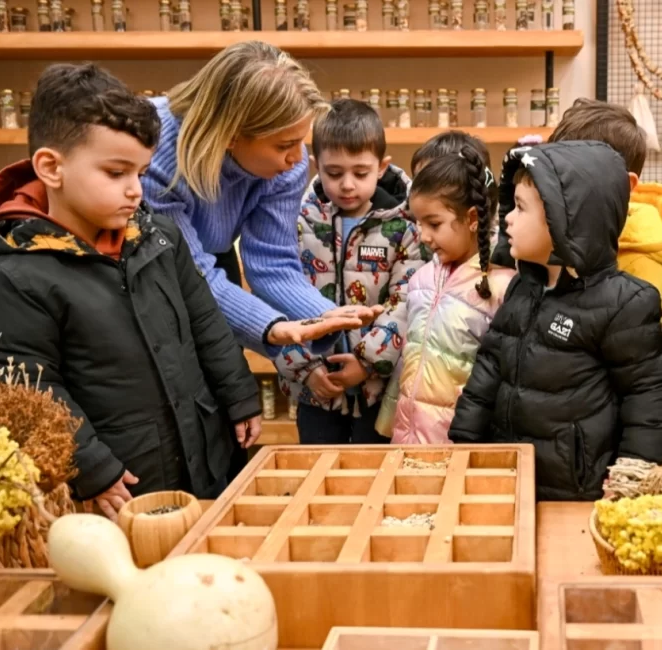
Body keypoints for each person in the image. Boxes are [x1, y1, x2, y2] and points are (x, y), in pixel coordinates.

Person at [0, 63, 261, 519]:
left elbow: (206, 322)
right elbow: (32, 391)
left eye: (140, 173)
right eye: (116, 173)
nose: (136, 191)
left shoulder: (160, 237)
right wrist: (92, 467)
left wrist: (239, 394)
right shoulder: (15, 280)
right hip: (122, 482)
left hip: (207, 453)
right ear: (51, 167)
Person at [449, 141, 662, 501]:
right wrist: (465, 440)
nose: (507, 218)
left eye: (521, 208)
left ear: (565, 220)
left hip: (575, 490)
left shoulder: (624, 303)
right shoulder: (522, 287)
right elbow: (490, 366)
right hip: (507, 475)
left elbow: (646, 398)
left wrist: (630, 482)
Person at [140, 41, 377, 356]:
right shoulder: (151, 153)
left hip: (210, 261)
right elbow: (188, 271)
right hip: (149, 274)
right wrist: (269, 326)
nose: (298, 159)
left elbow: (271, 259)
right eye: (284, 146)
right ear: (231, 135)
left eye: (299, 142)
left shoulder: (286, 167)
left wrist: (323, 314)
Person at [275, 99, 425, 444]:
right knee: (318, 468)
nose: (346, 185)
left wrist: (366, 362)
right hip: (315, 390)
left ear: (381, 167)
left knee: (377, 470)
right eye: (334, 173)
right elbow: (277, 300)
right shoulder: (295, 223)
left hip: (377, 389)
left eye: (360, 173)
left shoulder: (403, 227)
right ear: (316, 166)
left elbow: (407, 301)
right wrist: (306, 369)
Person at [376, 145, 515, 444]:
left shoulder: (502, 287)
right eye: (419, 223)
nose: (424, 236)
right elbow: (408, 359)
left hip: (463, 445)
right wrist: (389, 423)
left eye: (434, 224)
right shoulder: (421, 279)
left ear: (472, 217)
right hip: (408, 442)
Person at [542, 98, 662, 324]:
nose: (556, 183)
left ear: (624, 185)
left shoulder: (645, 269)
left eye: (574, 173)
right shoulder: (575, 232)